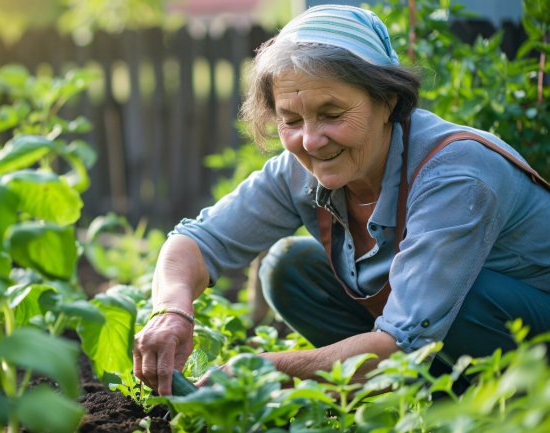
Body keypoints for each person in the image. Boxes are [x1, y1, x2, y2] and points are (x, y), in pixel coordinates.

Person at [134, 5, 550, 396]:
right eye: (291, 120)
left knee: (464, 297)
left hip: (528, 336)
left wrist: (266, 370)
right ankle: (400, 392)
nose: (311, 140)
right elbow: (197, 241)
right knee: (290, 269)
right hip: (431, 337)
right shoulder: (301, 168)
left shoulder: (455, 173)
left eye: (332, 114)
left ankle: (497, 401)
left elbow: (406, 340)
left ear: (387, 101)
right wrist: (170, 310)